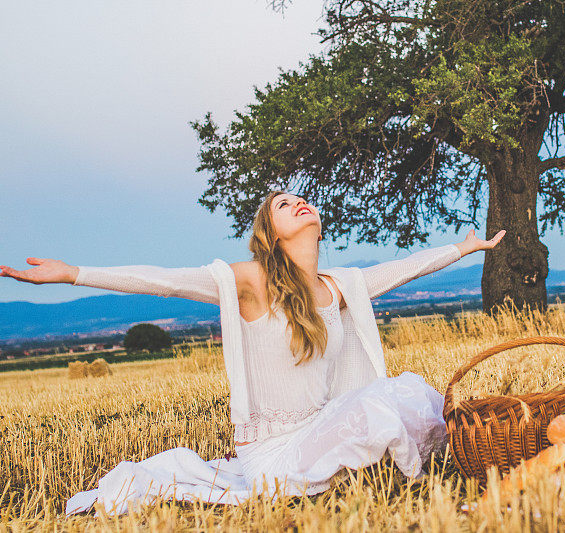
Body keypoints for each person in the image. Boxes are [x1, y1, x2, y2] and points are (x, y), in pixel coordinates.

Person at [0, 190, 506, 516]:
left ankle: (415, 475)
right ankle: (393, 488)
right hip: (273, 453)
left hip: (317, 430)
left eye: (301, 199)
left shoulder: (339, 285)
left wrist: (460, 251)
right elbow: (169, 283)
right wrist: (74, 274)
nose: (299, 203)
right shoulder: (251, 280)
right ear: (271, 232)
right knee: (381, 404)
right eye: (284, 205)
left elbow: (401, 271)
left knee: (410, 391)